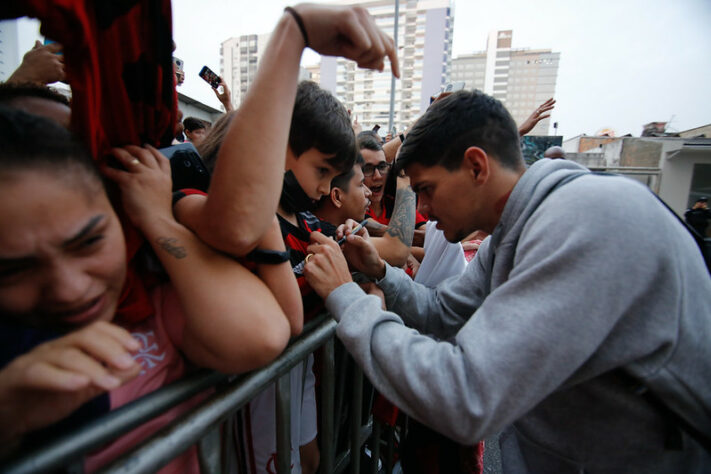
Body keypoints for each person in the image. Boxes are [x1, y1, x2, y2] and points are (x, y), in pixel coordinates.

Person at [302, 90, 711, 472]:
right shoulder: (520, 226)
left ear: (477, 167)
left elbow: (465, 395)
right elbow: (442, 311)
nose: (422, 208)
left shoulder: (582, 223)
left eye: (427, 189)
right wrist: (379, 271)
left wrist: (348, 299)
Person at [0, 107, 292, 471]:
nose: (70, 289)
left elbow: (264, 335)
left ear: (120, 214)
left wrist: (157, 218)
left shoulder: (151, 304)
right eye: (14, 270)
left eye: (88, 242)